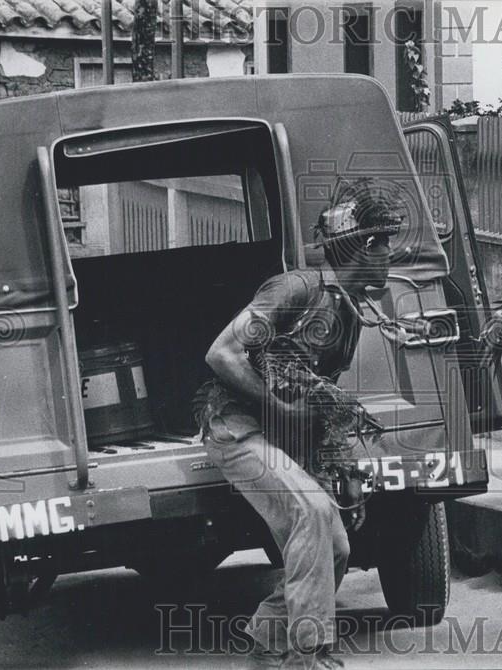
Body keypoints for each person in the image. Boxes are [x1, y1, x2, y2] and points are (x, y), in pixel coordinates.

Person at [198, 179, 404, 669]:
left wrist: (341, 469)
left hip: (276, 434)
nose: (392, 257)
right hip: (238, 428)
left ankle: (268, 642)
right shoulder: (297, 288)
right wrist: (278, 409)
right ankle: (307, 654)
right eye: (386, 245)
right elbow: (221, 353)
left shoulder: (348, 313)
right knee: (310, 513)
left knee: (334, 544)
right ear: (367, 247)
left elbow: (319, 402)